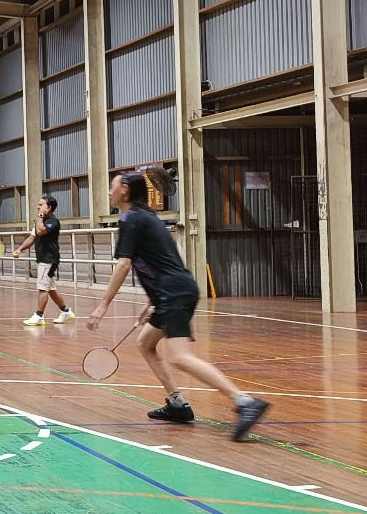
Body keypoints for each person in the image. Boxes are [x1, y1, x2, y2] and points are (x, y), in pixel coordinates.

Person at [88, 166, 271, 441]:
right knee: (145, 343)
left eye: (112, 186)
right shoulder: (145, 217)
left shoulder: (131, 219)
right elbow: (160, 260)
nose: (109, 191)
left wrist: (103, 304)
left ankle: (245, 402)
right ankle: (177, 404)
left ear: (124, 190)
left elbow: (124, 264)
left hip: (174, 292)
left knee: (179, 356)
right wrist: (152, 300)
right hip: (171, 291)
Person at [14, 195, 74, 327]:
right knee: (50, 288)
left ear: (49, 207)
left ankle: (39, 316)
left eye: (41, 204)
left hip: (49, 259)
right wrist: (20, 249)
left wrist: (40, 218)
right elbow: (32, 237)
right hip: (43, 258)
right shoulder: (40, 221)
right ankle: (66, 311)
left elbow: (41, 231)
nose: (38, 206)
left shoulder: (53, 221)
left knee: (42, 288)